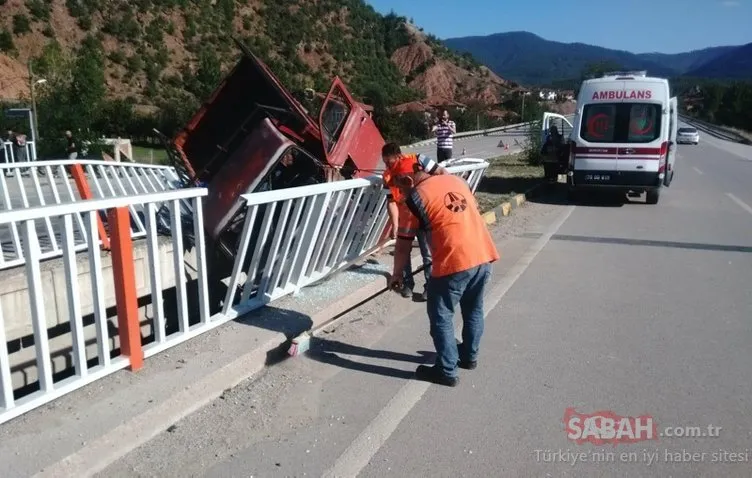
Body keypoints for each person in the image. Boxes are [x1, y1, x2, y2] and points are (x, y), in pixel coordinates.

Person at [387, 166, 500, 387]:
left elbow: (402, 246)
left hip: (454, 262)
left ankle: (446, 370)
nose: (400, 193)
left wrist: (397, 274)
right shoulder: (456, 181)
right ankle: (468, 356)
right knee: (473, 309)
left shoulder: (414, 199)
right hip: (483, 255)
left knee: (441, 315)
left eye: (399, 186)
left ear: (408, 180)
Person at [381, 142, 448, 301]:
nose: (387, 165)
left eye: (389, 162)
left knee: (428, 253)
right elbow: (390, 201)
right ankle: (406, 284)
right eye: (384, 162)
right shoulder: (387, 176)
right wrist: (395, 225)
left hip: (424, 214)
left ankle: (430, 287)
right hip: (406, 218)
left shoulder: (419, 160)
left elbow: (441, 172)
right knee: (403, 253)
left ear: (398, 156)